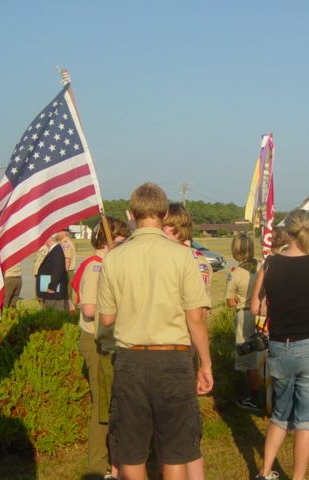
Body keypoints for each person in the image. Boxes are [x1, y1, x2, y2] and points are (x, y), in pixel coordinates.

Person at [97, 183, 213, 480]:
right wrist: (206, 364)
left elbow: (107, 318)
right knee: (175, 450)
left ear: (131, 214)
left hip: (130, 361)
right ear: (163, 214)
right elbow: (196, 317)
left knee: (131, 452)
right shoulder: (182, 255)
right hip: (173, 359)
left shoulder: (114, 258)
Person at [250, 209, 309, 480]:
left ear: (288, 232)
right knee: (306, 420)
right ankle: (298, 477)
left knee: (280, 415)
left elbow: (256, 307)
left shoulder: (269, 264)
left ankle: (266, 470)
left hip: (280, 346)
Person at [75, 216, 131, 480]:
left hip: (109, 341)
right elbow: (89, 310)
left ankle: (114, 460)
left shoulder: (108, 265)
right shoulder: (96, 268)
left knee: (112, 404)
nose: (124, 245)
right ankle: (97, 468)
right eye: (121, 240)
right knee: (103, 406)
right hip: (97, 342)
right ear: (107, 239)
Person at [161, 202, 212, 480]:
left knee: (177, 429)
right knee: (184, 426)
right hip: (185, 345)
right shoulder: (198, 259)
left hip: (177, 344)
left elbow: (197, 314)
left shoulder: (176, 258)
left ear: (172, 228)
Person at [225, 232, 261, 411]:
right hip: (263, 315)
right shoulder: (262, 266)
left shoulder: (235, 273)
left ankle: (253, 397)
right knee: (263, 355)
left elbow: (230, 302)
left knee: (248, 357)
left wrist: (237, 299)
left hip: (245, 315)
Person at [36, 234, 68, 311]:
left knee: (54, 315)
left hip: (54, 294)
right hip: (51, 293)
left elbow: (57, 270)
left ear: (49, 239)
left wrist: (51, 287)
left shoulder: (57, 251)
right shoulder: (54, 250)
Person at [58, 227, 77, 312]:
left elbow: (67, 259)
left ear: (64, 233)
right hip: (68, 271)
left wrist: (63, 273)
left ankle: (69, 312)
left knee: (67, 294)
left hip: (67, 271)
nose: (57, 234)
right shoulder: (63, 243)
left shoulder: (66, 244)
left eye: (59, 231)